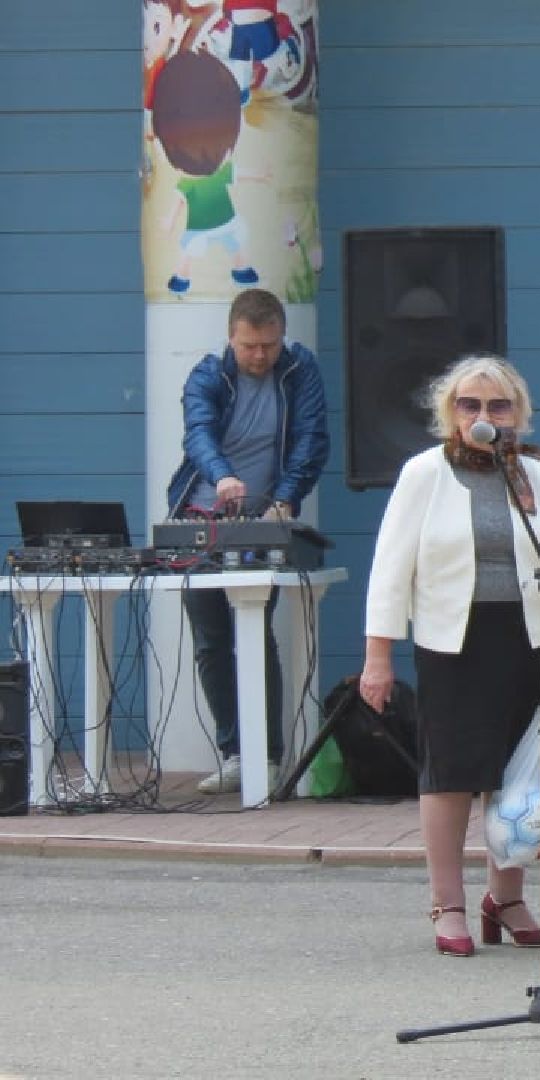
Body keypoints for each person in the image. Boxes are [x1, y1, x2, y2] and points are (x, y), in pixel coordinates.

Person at [359, 354, 540, 957]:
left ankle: (505, 898)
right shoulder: (423, 474)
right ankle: (448, 902)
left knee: (518, 780)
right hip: (452, 640)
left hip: (526, 635)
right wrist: (377, 656)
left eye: (497, 406)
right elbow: (389, 569)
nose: (483, 416)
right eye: (469, 405)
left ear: (519, 415)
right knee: (452, 774)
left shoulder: (536, 476)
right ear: (449, 414)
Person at [164, 288, 328, 795]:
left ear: (283, 338)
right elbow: (198, 434)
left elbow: (310, 439)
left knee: (255, 632)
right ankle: (236, 752)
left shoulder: (302, 372)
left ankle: (269, 757)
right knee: (212, 642)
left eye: (269, 346)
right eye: (249, 346)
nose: (259, 356)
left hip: (266, 515)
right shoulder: (207, 376)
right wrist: (223, 475)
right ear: (230, 339)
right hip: (203, 513)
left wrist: (284, 499)